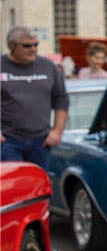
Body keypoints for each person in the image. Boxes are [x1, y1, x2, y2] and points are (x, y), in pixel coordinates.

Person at [1, 26, 70, 168]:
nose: (33, 49)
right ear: (11, 46)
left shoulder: (48, 67)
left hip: (41, 141)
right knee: (15, 185)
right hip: (8, 141)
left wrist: (57, 131)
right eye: (27, 46)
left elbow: (61, 100)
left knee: (39, 186)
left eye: (35, 45)